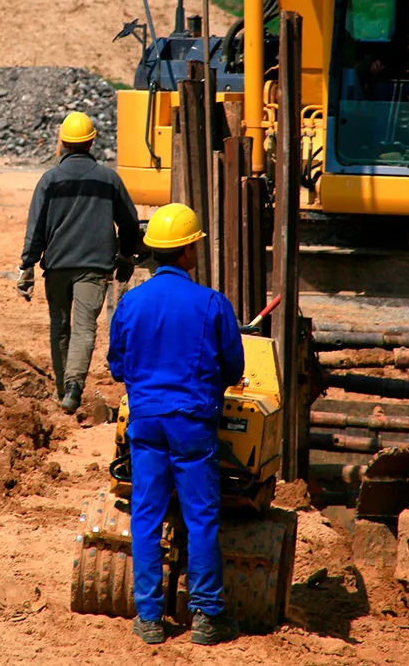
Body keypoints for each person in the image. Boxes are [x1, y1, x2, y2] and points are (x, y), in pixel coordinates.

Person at [107, 202, 244, 647]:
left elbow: (117, 367)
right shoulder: (211, 303)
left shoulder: (130, 303)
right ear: (187, 251)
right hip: (191, 422)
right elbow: (233, 368)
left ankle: (149, 617)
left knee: (146, 514)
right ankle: (206, 616)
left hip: (145, 421)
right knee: (200, 515)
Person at [16, 111, 140, 414]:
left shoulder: (49, 180)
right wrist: (125, 254)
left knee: (60, 326)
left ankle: (63, 391)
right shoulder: (109, 178)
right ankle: (74, 386)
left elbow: (36, 228)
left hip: (57, 266)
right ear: (92, 141)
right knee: (85, 329)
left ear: (63, 143)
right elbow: (130, 222)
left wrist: (27, 266)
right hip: (94, 268)